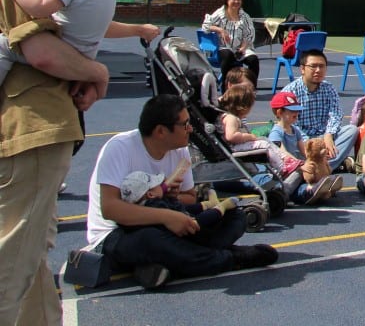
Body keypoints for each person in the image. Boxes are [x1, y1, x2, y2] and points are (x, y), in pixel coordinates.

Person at [0, 0, 113, 325]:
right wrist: (96, 73)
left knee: (32, 260)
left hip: (25, 119)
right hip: (34, 119)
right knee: (14, 260)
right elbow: (38, 51)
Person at [86, 95, 278, 289]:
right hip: (118, 232)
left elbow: (189, 198)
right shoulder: (120, 148)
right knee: (152, 241)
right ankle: (231, 258)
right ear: (161, 131)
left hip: (170, 219)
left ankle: (161, 264)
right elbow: (110, 209)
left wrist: (170, 197)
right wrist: (166, 216)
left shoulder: (180, 150)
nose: (190, 129)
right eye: (185, 124)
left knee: (235, 217)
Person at [282, 49, 359, 172]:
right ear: (302, 69)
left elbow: (336, 113)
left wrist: (329, 135)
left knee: (352, 130)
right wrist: (310, 144)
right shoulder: (290, 92)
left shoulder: (329, 88)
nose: (318, 70)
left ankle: (318, 167)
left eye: (322, 66)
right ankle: (330, 165)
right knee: (286, 141)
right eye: (313, 66)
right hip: (302, 141)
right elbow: (291, 125)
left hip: (325, 138)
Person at [267, 90, 333, 205]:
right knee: (299, 172)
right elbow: (282, 153)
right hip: (282, 170)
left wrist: (316, 159)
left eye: (297, 110)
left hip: (294, 166)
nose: (296, 113)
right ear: (279, 112)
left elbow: (305, 152)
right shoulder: (276, 132)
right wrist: (300, 165)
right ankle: (284, 192)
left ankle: (317, 187)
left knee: (313, 166)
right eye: (292, 110)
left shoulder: (294, 129)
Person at [120, 170, 238, 234]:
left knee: (184, 209)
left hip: (176, 225)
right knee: (199, 221)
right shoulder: (157, 206)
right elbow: (189, 220)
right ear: (150, 194)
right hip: (191, 230)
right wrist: (221, 208)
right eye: (158, 184)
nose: (162, 185)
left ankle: (209, 204)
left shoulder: (145, 210)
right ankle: (220, 207)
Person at [217, 83, 288, 173]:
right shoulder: (231, 118)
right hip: (233, 147)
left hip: (236, 145)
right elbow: (231, 136)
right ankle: (282, 168)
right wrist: (248, 137)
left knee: (264, 139)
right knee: (264, 144)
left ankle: (284, 158)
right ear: (243, 107)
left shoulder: (231, 116)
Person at [202, 0, 261, 87]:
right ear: (227, 1)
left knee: (253, 59)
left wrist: (243, 48)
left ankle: (251, 87)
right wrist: (220, 30)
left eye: (238, 0)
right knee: (228, 55)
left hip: (241, 48)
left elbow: (249, 35)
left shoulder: (245, 16)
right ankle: (226, 86)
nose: (236, 2)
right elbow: (206, 26)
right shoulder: (220, 13)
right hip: (223, 47)